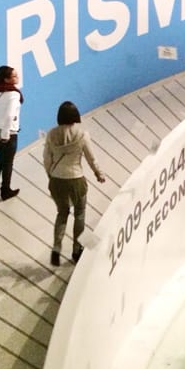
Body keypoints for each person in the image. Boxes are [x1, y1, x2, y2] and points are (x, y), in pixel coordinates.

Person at [43, 101, 105, 266]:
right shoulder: (82, 135)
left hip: (57, 180)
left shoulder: (51, 135)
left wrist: (51, 176)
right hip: (76, 180)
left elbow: (47, 159)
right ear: (75, 116)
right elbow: (91, 158)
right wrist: (99, 174)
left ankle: (56, 249)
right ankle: (77, 250)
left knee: (61, 214)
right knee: (79, 214)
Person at [0, 65, 22, 200]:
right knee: (8, 163)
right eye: (14, 76)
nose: (17, 77)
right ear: (6, 80)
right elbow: (10, 115)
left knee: (1, 160)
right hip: (8, 133)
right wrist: (6, 134)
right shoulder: (14, 94)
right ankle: (5, 190)